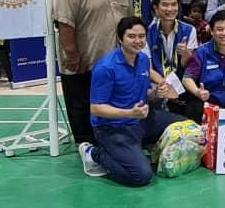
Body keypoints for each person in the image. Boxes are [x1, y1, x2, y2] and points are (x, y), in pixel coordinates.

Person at [78, 16, 189, 186]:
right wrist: (130, 113)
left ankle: (141, 148)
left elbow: (146, 94)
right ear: (120, 39)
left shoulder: (143, 60)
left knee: (186, 127)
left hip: (141, 119)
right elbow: (96, 108)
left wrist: (157, 93)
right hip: (113, 127)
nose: (138, 41)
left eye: (141, 36)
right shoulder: (106, 68)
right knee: (141, 176)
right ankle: (93, 153)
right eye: (131, 36)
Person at [53, 0, 129, 144]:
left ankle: (107, 140)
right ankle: (85, 145)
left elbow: (127, 21)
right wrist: (71, 53)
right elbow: (64, 23)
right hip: (83, 62)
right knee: (82, 105)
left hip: (113, 61)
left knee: (108, 103)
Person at [146, 0, 198, 117]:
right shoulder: (147, 33)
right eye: (165, 5)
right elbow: (148, 68)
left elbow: (188, 66)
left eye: (174, 4)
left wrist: (185, 53)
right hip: (158, 83)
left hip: (181, 82)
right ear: (156, 9)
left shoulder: (189, 30)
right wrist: (166, 86)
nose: (170, 9)